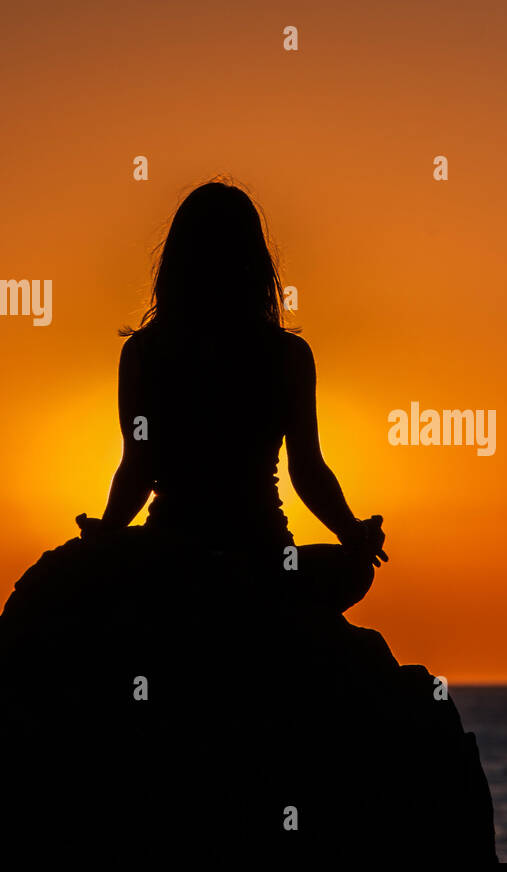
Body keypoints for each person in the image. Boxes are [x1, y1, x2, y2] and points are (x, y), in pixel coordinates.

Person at [76, 180, 386, 613]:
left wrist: (105, 533)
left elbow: (138, 468)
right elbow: (308, 468)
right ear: (256, 263)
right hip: (264, 556)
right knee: (354, 570)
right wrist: (353, 534)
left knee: (69, 571)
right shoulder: (287, 355)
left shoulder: (145, 352)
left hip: (171, 556)